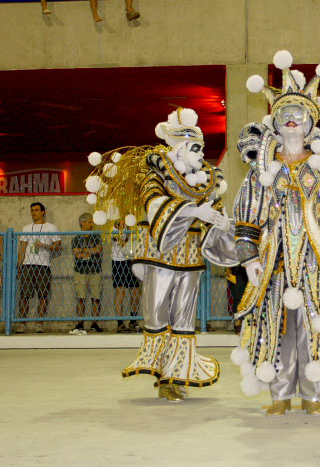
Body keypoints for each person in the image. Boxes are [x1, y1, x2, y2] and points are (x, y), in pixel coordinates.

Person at [231, 51, 320, 416]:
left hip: (315, 262)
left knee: (313, 326)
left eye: (298, 115)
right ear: (274, 119)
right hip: (273, 263)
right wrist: (250, 257)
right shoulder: (262, 168)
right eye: (284, 114)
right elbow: (247, 215)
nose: (291, 120)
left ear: (310, 123)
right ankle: (279, 395)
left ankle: (313, 395)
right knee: (276, 327)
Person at [88, 108, 237, 401]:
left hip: (190, 256)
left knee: (183, 317)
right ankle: (162, 373)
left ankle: (176, 377)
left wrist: (219, 222)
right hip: (160, 253)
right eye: (196, 148)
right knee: (158, 312)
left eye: (202, 148)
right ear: (179, 148)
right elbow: (154, 204)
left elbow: (214, 210)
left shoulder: (204, 179)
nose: (201, 153)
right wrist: (195, 210)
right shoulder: (153, 173)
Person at [17, 202, 61, 333]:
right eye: (32, 210)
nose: (34, 212)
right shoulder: (26, 228)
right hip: (27, 265)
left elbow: (58, 246)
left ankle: (40, 323)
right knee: (24, 295)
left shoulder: (51, 227)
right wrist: (19, 264)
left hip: (43, 265)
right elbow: (22, 248)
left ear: (43, 211)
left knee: (43, 295)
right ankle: (22, 323)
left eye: (36, 210)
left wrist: (45, 246)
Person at [71, 213, 104, 334]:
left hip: (94, 270)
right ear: (82, 223)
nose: (92, 224)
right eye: (89, 222)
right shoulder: (75, 238)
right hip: (80, 270)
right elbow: (76, 254)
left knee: (96, 297)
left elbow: (98, 250)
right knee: (81, 297)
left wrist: (83, 251)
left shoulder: (96, 237)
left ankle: (95, 323)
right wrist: (90, 251)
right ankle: (80, 322)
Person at [112, 220, 141, 333]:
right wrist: (127, 231)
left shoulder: (135, 228)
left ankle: (133, 321)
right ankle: (120, 323)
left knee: (135, 291)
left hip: (133, 261)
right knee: (121, 291)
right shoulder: (115, 228)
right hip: (119, 261)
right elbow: (121, 243)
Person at [226, 265, 248, 334]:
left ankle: (246, 322)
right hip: (238, 267)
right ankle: (239, 322)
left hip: (252, 263)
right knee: (238, 295)